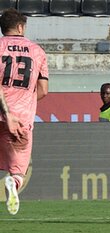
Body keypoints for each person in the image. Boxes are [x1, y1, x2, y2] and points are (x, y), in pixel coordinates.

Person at [0, 8, 49, 215]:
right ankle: (13, 183)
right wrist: (23, 102)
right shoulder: (37, 51)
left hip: (4, 114)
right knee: (18, 171)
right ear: (21, 27)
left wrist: (5, 112)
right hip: (21, 120)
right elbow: (44, 91)